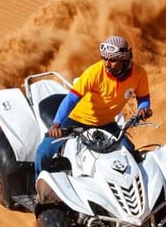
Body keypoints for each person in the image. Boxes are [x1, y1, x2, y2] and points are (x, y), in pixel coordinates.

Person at [34, 35, 153, 178]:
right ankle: (39, 190)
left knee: (130, 151)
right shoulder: (94, 73)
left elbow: (143, 98)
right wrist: (56, 124)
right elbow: (71, 99)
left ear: (125, 60)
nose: (107, 64)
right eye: (104, 58)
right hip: (77, 121)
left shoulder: (139, 74)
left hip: (107, 123)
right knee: (43, 152)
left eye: (112, 60)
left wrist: (143, 108)